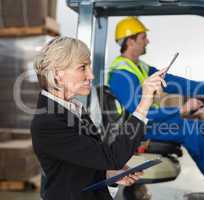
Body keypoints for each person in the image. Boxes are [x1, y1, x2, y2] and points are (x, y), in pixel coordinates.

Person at [108, 16, 204, 197]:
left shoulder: (139, 67)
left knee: (203, 125)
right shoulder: (121, 73)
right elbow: (139, 111)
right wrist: (180, 111)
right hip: (135, 129)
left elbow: (173, 82)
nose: (147, 40)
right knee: (189, 128)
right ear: (130, 41)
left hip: (149, 122)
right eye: (143, 37)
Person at [31, 37, 167, 200]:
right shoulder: (49, 123)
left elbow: (82, 165)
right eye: (83, 67)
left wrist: (110, 176)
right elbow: (111, 157)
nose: (91, 75)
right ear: (58, 74)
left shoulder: (73, 110)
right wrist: (144, 102)